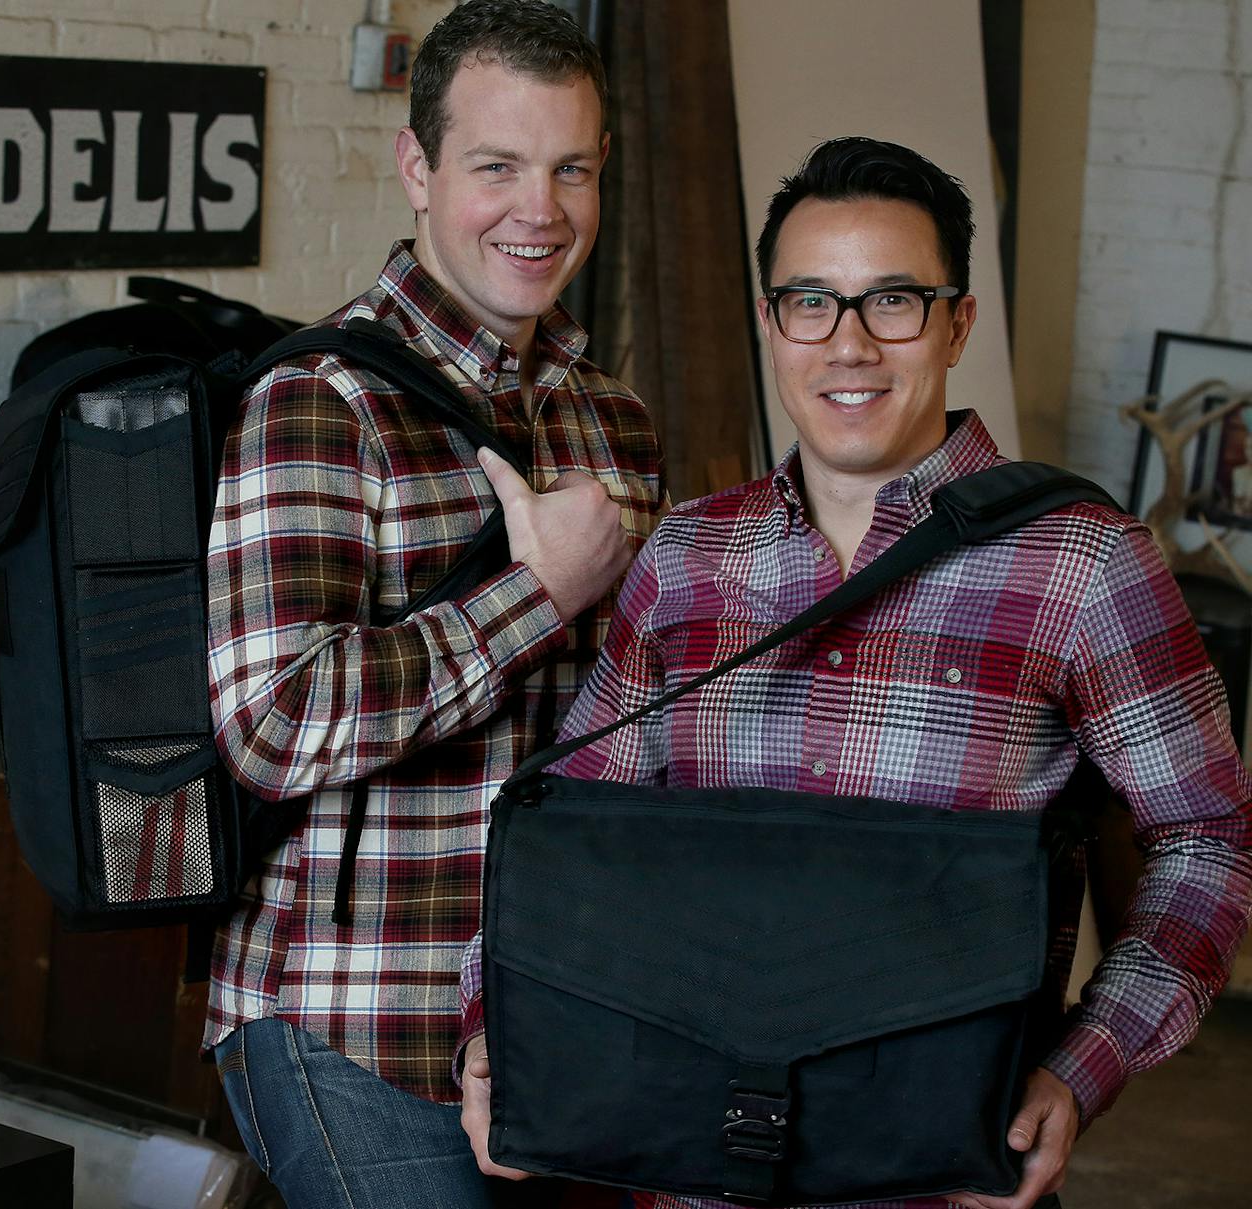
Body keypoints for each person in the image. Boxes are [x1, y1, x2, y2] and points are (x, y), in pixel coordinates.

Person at [457, 136, 1252, 1209]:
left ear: (956, 322)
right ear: (768, 320)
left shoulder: (1083, 564)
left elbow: (1207, 840)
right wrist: (489, 1030)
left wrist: (1085, 1058)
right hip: (689, 1170)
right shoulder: (688, 557)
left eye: (892, 302)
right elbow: (568, 832)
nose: (847, 346)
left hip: (936, 1178)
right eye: (810, 303)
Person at [204, 3, 665, 1205]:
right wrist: (538, 594)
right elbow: (275, 722)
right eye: (496, 166)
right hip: (348, 1011)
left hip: (547, 1008)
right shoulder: (320, 401)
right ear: (418, 169)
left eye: (570, 168)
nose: (539, 209)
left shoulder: (611, 420)